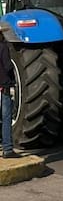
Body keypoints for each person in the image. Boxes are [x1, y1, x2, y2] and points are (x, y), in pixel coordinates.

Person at [0, 27, 19, 158]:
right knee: (6, 117)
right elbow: (7, 66)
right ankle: (7, 149)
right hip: (3, 85)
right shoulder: (3, 47)